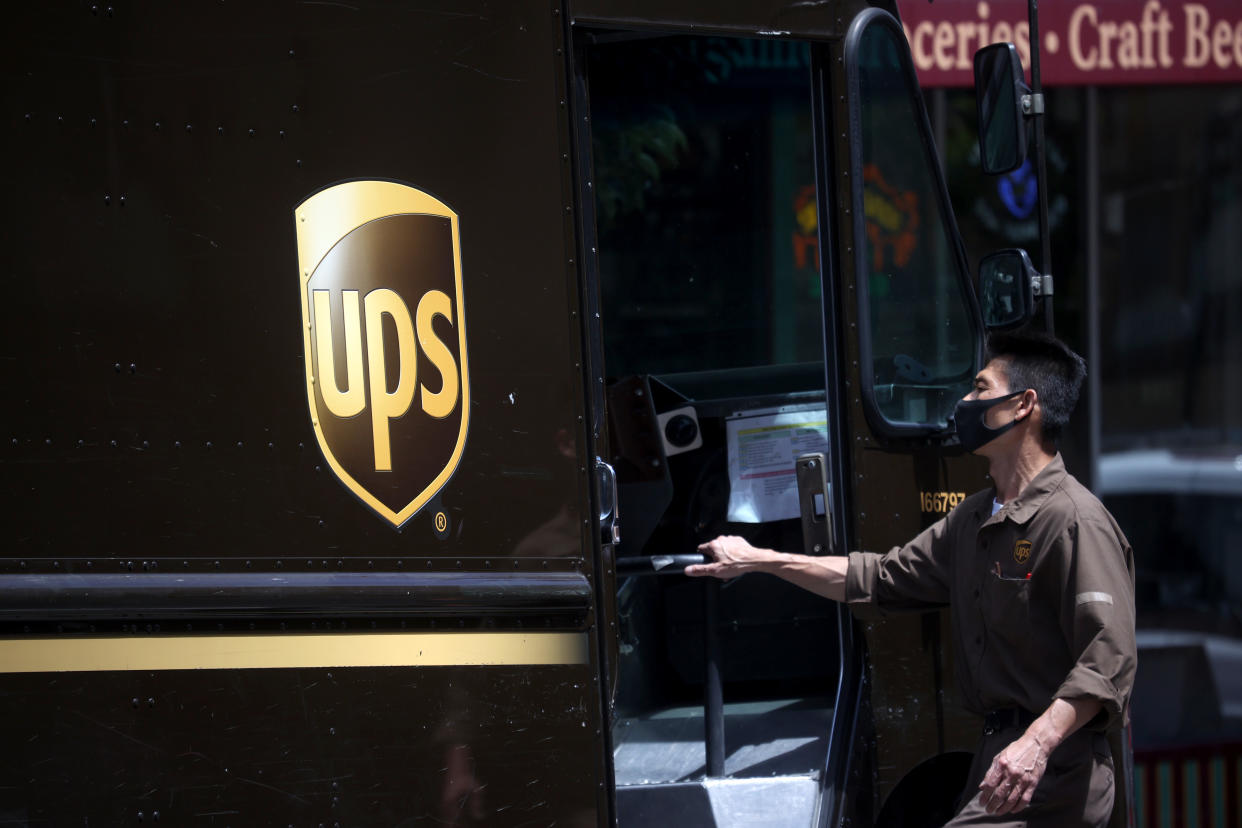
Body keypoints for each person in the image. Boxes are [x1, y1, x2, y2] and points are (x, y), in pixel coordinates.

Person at [686, 331, 1136, 828]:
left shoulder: (1075, 520)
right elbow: (879, 577)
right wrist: (760, 559)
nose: (965, 403)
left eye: (980, 388)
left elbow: (1108, 659)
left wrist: (1035, 744)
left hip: (1054, 771)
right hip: (999, 763)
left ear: (1023, 405)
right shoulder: (974, 521)